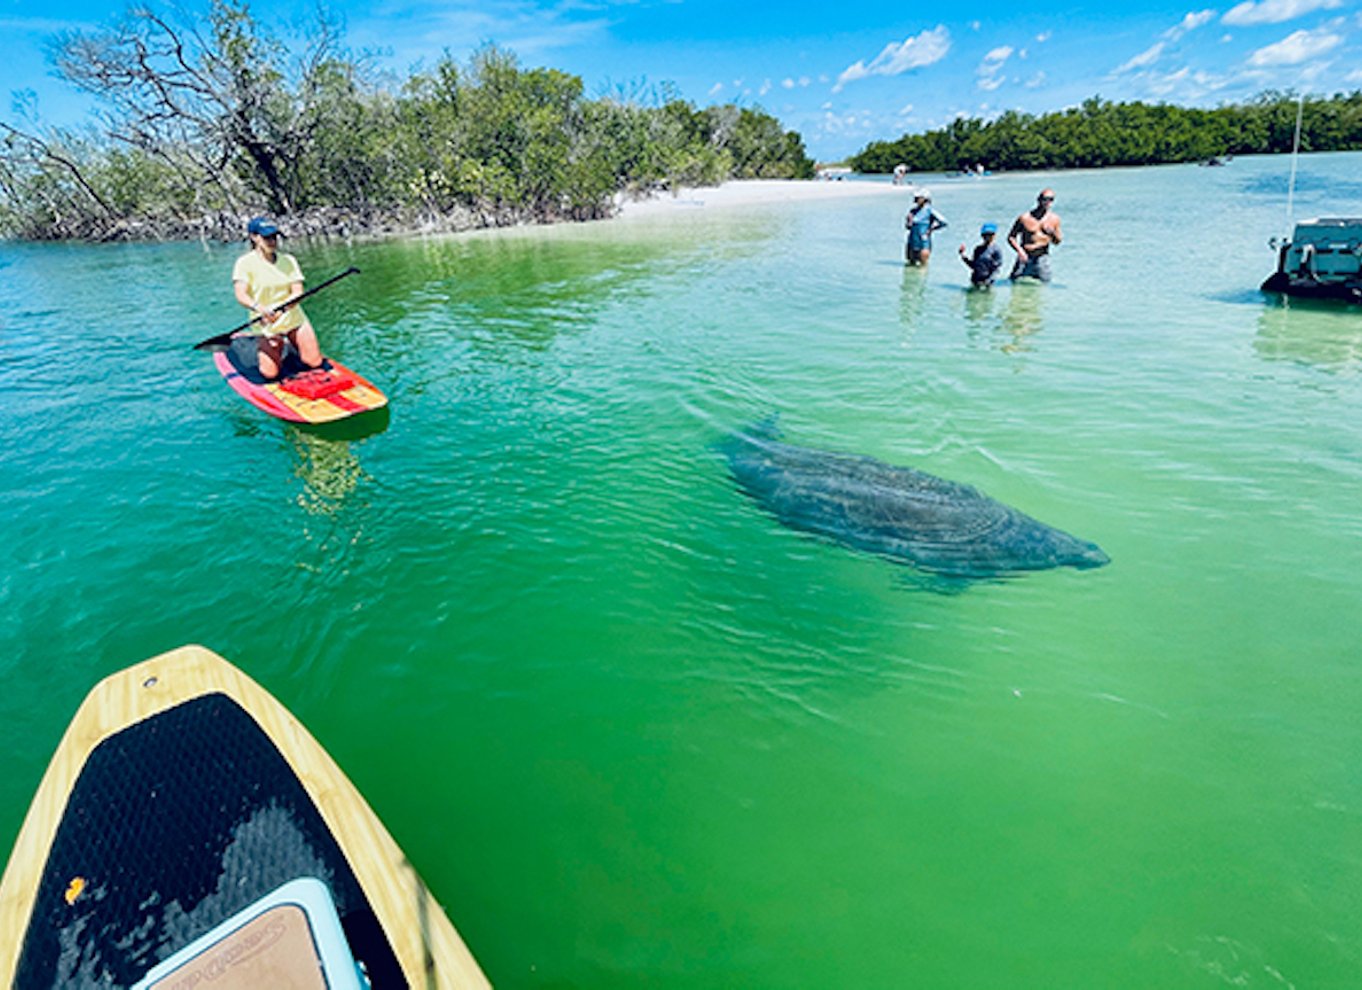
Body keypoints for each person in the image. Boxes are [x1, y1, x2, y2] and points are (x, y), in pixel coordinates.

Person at [231, 216, 321, 380]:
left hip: (293, 317)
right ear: (254, 237)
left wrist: (283, 309)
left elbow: (297, 291)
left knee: (314, 362)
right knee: (270, 374)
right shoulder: (244, 263)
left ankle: (290, 343)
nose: (272, 241)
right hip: (266, 322)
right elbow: (241, 295)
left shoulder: (289, 261)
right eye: (267, 237)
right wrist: (260, 308)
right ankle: (270, 346)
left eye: (274, 237)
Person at [1007, 188, 1062, 282]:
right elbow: (1011, 237)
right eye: (1045, 199)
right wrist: (1020, 251)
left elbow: (1057, 242)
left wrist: (1052, 233)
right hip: (1025, 256)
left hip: (1042, 257)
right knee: (1014, 282)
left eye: (1051, 199)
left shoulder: (1054, 219)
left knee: (1045, 284)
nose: (1048, 202)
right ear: (1039, 200)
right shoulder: (1025, 218)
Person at [904, 190, 946, 265]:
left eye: (918, 198)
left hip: (923, 242)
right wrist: (908, 222)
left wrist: (931, 229)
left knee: (923, 266)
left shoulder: (930, 211)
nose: (916, 199)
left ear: (924, 199)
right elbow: (908, 227)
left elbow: (943, 222)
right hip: (912, 241)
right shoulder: (913, 211)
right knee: (910, 264)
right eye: (915, 198)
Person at [959, 223, 1004, 288]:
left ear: (994, 235)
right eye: (985, 235)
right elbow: (973, 265)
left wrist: (988, 281)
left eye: (990, 234)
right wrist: (963, 255)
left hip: (987, 283)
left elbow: (996, 269)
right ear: (982, 236)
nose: (987, 237)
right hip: (975, 281)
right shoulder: (978, 249)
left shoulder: (996, 250)